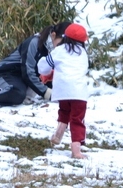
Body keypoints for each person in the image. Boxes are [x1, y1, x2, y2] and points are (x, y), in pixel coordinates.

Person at [38, 23, 90, 159]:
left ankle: (58, 134)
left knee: (65, 111)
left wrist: (47, 72)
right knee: (77, 119)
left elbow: (43, 67)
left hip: (62, 91)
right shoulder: (83, 53)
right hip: (78, 92)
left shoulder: (59, 50)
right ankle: (76, 150)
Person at [0, 21, 72, 106]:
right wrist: (47, 93)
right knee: (17, 93)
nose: (63, 48)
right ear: (53, 35)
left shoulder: (56, 50)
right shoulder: (34, 43)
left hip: (25, 80)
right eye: (60, 44)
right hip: (6, 74)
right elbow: (28, 73)